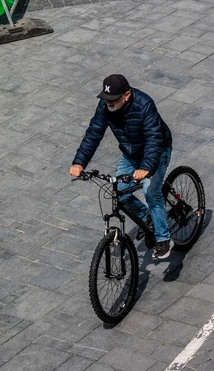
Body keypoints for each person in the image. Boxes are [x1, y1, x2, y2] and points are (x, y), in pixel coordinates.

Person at [69, 74, 173, 259]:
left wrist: (147, 167)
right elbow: (93, 133)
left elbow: (154, 138)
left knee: (151, 191)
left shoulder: (144, 105)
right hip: (131, 154)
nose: (109, 103)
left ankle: (163, 238)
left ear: (126, 95)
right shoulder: (105, 106)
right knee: (120, 192)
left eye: (113, 99)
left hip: (156, 151)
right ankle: (147, 215)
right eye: (106, 98)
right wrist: (79, 162)